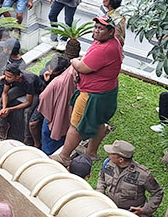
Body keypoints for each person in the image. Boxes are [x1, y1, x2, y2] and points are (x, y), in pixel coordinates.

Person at [52, 16, 123, 165]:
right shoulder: (110, 43)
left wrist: (73, 61)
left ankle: (64, 156)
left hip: (92, 94)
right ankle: (91, 152)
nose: (96, 30)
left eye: (101, 28)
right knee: (99, 122)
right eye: (96, 27)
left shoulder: (105, 49)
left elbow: (83, 67)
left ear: (111, 32)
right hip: (105, 92)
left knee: (76, 125)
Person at [97, 140, 163, 217]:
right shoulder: (108, 164)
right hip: (110, 209)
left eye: (112, 154)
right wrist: (100, 193)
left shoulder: (142, 174)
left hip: (132, 215)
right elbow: (102, 178)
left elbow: (157, 193)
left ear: (121, 159)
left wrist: (145, 210)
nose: (109, 155)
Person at [0, 63, 44, 142]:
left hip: (36, 92)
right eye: (5, 75)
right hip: (21, 88)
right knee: (2, 101)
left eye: (9, 77)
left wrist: (10, 109)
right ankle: (3, 125)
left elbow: (28, 102)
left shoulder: (29, 81)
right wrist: (4, 109)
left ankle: (27, 137)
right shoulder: (8, 77)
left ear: (18, 76)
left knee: (27, 112)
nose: (6, 78)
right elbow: (5, 93)